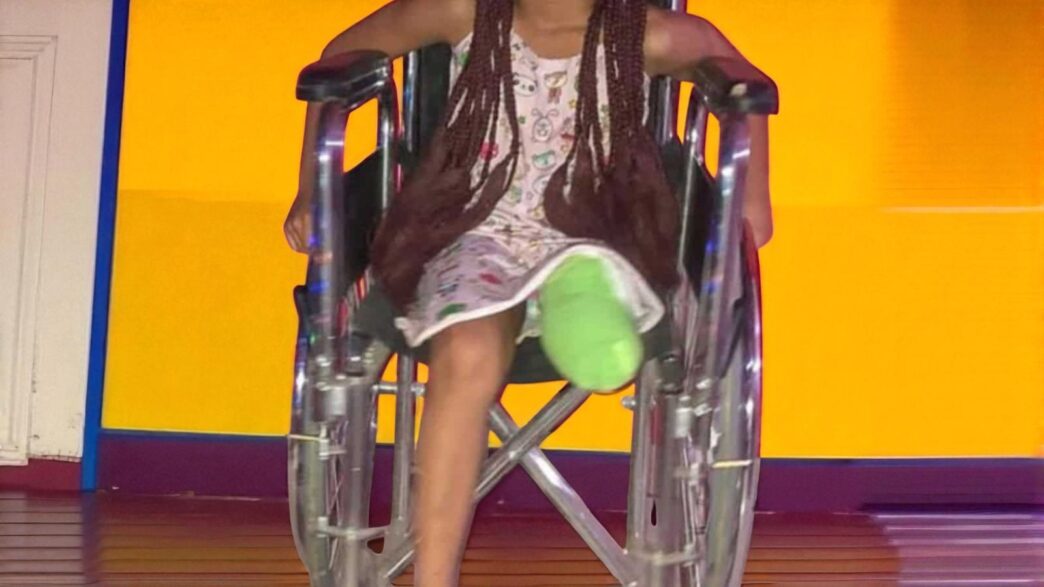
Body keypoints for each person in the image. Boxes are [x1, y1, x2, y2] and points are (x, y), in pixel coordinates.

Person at [284, 0, 772, 584]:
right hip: (474, 232)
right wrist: (311, 192)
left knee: (591, 309)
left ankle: (582, 315)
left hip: (593, 238)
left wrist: (751, 203)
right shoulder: (462, 11)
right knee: (467, 351)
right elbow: (337, 59)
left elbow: (743, 82)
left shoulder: (644, 35)